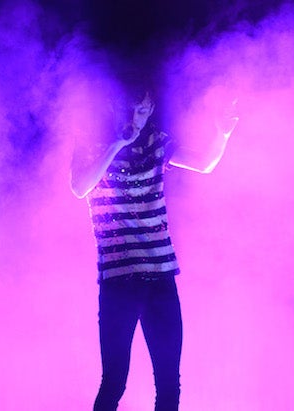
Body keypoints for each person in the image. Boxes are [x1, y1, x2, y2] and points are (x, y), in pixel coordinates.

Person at [70, 80, 238, 411]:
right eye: (129, 108)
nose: (135, 116)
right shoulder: (91, 145)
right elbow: (79, 187)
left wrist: (222, 135)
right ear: (114, 107)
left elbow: (204, 163)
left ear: (150, 112)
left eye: (142, 110)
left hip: (161, 279)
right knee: (114, 381)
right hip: (119, 282)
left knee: (169, 383)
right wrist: (116, 144)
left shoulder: (157, 144)